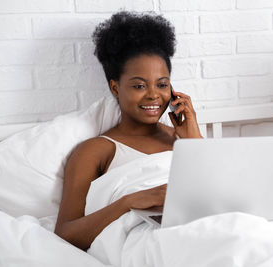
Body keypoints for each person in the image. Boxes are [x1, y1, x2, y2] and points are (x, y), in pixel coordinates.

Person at [54, 11, 202, 251]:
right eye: (139, 85)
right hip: (152, 239)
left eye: (162, 84)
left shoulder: (185, 140)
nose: (154, 94)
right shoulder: (96, 150)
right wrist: (132, 201)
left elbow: (214, 194)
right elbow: (65, 233)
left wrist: (194, 141)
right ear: (115, 87)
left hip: (203, 222)